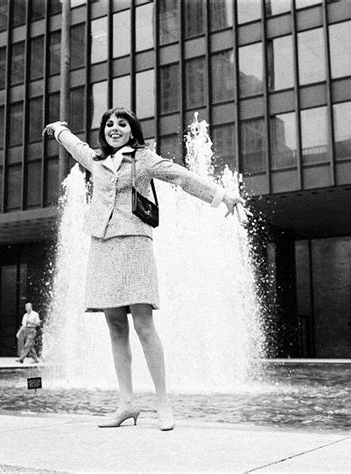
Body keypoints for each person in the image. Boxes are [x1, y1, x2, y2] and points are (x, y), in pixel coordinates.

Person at [43, 107, 243, 431]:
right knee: (114, 326)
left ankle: (163, 403)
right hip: (103, 244)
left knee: (143, 324)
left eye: (121, 124)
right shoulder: (96, 159)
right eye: (109, 124)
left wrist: (221, 196)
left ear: (132, 130)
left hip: (135, 243)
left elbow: (181, 176)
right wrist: (58, 129)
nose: (114, 128)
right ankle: (126, 404)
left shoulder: (144, 158)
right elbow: (74, 146)